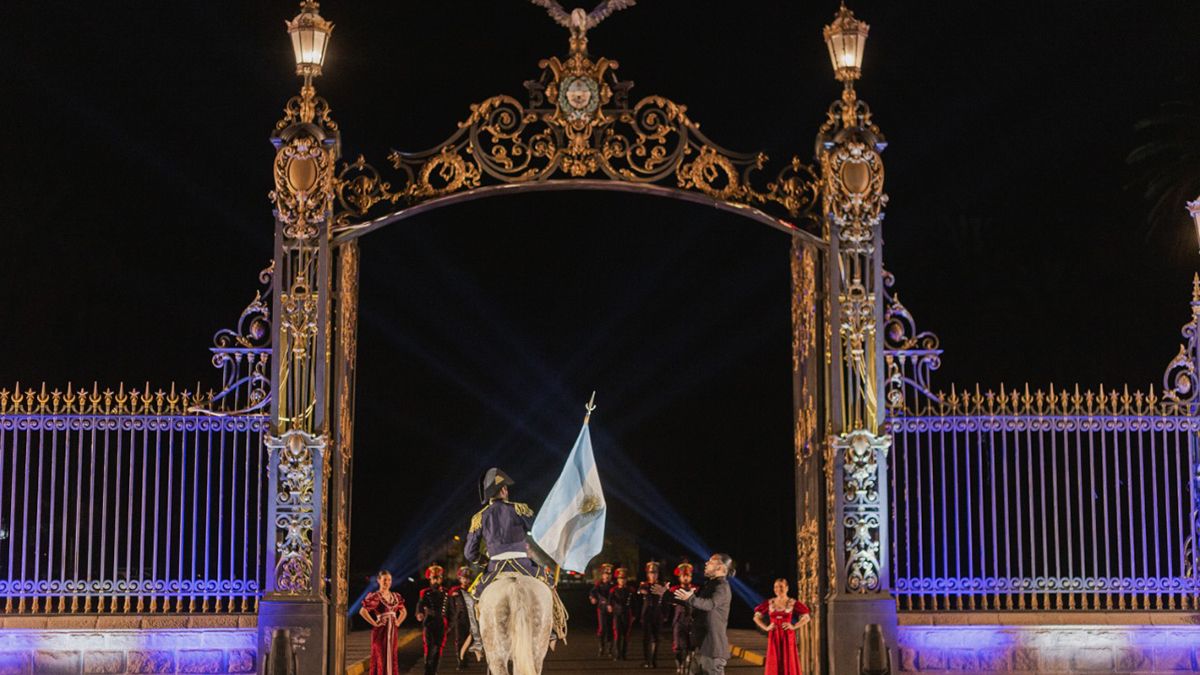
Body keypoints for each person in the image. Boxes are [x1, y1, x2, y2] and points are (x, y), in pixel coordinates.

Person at [463, 468, 541, 597]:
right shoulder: (519, 509)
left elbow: (469, 553)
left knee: (475, 600)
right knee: (550, 589)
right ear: (503, 490)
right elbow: (538, 531)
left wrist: (484, 561)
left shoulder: (479, 517)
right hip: (524, 565)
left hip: (495, 567)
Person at [673, 553, 733, 675]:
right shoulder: (710, 585)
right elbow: (693, 603)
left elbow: (710, 604)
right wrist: (665, 595)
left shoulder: (722, 587)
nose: (706, 563)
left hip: (712, 650)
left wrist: (691, 599)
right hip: (701, 647)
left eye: (711, 561)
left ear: (720, 568)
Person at [752, 578, 810, 675]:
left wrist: (794, 626)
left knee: (788, 659)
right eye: (776, 587)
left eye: (781, 587)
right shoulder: (770, 602)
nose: (778, 589)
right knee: (774, 660)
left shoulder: (792, 602)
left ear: (787, 588)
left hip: (787, 636)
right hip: (774, 636)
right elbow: (756, 617)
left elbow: (806, 617)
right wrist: (766, 627)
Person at [360, 569, 408, 675]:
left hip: (393, 632)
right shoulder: (375, 596)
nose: (387, 582)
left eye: (389, 580)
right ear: (379, 580)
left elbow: (403, 611)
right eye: (384, 580)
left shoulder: (396, 596)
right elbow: (363, 611)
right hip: (381, 632)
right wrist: (375, 623)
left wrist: (398, 622)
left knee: (392, 656)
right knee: (380, 657)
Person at [417, 564, 450, 675]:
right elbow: (420, 604)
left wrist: (451, 623)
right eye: (434, 578)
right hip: (429, 622)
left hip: (441, 623)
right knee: (429, 647)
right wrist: (419, 613)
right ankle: (427, 670)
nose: (436, 580)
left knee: (439, 648)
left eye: (438, 578)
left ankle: (434, 671)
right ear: (430, 579)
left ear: (441, 579)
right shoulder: (425, 592)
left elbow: (450, 609)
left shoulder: (446, 592)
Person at [638, 561, 670, 669]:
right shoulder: (644, 584)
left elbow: (666, 601)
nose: (653, 575)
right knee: (646, 638)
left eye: (655, 572)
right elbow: (641, 591)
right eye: (651, 572)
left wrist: (665, 614)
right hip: (647, 613)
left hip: (658, 613)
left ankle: (654, 660)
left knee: (656, 638)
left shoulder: (662, 585)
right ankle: (647, 660)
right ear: (647, 574)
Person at [668, 562, 699, 674]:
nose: (686, 578)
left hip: (692, 621)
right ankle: (680, 667)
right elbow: (667, 602)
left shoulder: (696, 589)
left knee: (692, 647)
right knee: (678, 646)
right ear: (679, 577)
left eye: (688, 575)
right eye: (683, 575)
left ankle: (687, 668)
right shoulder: (674, 590)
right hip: (679, 621)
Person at [447, 566, 474, 671]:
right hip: (460, 618)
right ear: (460, 579)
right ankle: (461, 661)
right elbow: (450, 605)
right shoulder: (455, 591)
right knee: (459, 640)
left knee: (472, 639)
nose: (466, 580)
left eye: (468, 578)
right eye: (464, 578)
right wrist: (453, 618)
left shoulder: (474, 590)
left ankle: (467, 657)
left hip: (472, 619)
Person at [608, 566, 635, 661]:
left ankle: (624, 653)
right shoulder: (613, 590)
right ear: (617, 579)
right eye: (620, 578)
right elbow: (610, 601)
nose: (622, 580)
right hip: (617, 613)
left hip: (627, 613)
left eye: (624, 578)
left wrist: (634, 615)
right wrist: (610, 606)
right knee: (617, 634)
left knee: (626, 634)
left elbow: (634, 603)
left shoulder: (630, 590)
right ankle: (617, 654)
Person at [589, 563, 615, 657]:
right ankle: (601, 647)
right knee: (602, 628)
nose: (607, 576)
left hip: (612, 609)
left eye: (609, 574)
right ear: (602, 575)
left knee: (611, 628)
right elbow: (592, 593)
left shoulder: (614, 585)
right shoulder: (599, 585)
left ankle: (610, 649)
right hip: (602, 608)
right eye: (605, 574)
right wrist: (592, 598)